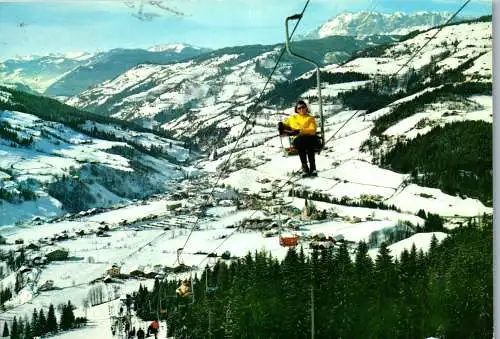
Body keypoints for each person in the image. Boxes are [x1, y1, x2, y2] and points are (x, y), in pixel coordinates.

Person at [279, 100, 318, 177]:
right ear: (296, 110)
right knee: (301, 143)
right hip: (298, 139)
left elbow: (313, 130)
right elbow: (285, 124)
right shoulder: (292, 118)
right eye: (299, 108)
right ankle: (307, 168)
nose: (301, 109)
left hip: (309, 137)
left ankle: (311, 167)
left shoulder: (310, 118)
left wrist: (300, 131)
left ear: (306, 108)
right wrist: (281, 125)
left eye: (303, 107)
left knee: (308, 143)